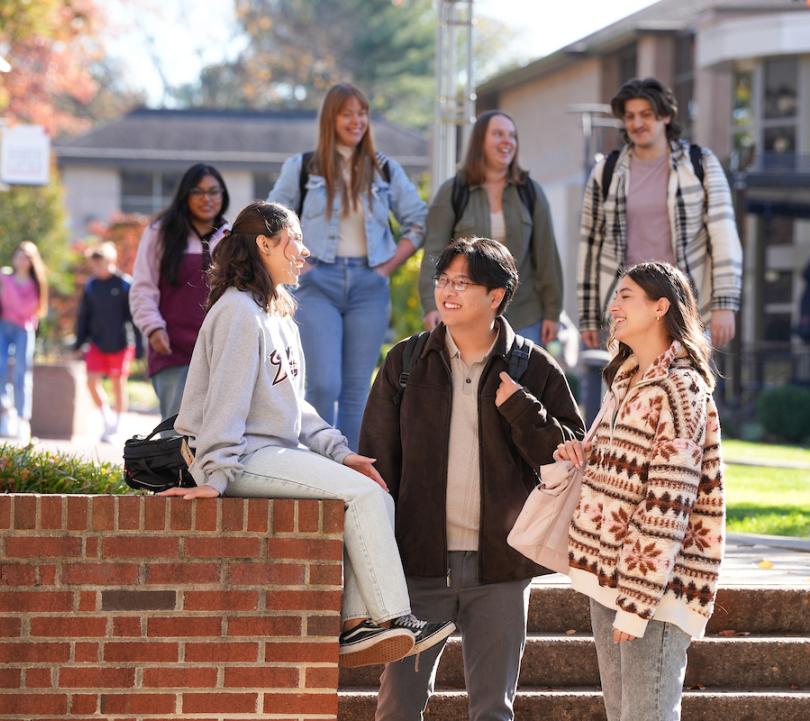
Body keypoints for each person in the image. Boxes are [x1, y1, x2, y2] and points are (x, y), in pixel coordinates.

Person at [159, 200, 454, 669]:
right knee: (365, 497)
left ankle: (357, 625)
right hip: (241, 456)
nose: (304, 250)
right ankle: (394, 617)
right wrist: (212, 479)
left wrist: (340, 453)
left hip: (272, 450)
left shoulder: (276, 312)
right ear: (264, 244)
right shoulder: (237, 311)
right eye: (295, 238)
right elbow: (225, 404)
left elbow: (296, 406)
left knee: (371, 490)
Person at [362, 237, 584, 721]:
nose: (448, 292)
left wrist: (522, 409)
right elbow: (375, 466)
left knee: (492, 711)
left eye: (463, 282)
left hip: (500, 571)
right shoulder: (404, 363)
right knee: (398, 707)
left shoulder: (533, 366)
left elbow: (570, 459)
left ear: (497, 296)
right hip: (419, 567)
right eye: (443, 281)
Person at [557, 261, 725, 721]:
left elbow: (668, 504)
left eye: (626, 296)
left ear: (660, 307)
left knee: (646, 715)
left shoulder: (680, 388)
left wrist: (636, 605)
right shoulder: (627, 379)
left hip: (655, 588)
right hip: (606, 575)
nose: (613, 306)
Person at [267, 82, 427, 448]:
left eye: (362, 113)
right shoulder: (303, 167)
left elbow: (418, 220)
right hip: (317, 282)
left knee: (356, 391)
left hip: (369, 285)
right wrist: (301, 266)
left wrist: (387, 268)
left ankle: (347, 477)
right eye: (347, 113)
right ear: (331, 118)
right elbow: (271, 218)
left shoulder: (383, 169)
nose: (357, 121)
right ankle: (316, 466)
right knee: (324, 384)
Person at [578, 77, 742, 351]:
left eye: (646, 115)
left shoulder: (700, 164)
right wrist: (587, 315)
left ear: (665, 116)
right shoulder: (607, 172)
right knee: (627, 390)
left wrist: (725, 304)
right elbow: (590, 244)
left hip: (686, 304)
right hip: (628, 308)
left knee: (686, 389)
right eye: (630, 116)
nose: (637, 123)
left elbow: (723, 234)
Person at [419, 110, 564, 347]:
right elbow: (433, 253)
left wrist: (552, 311)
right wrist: (430, 304)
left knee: (519, 384)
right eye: (498, 134)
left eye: (512, 135)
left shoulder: (530, 192)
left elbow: (547, 256)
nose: (507, 141)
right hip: (465, 313)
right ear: (479, 141)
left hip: (524, 316)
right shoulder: (453, 192)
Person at [130, 163, 231, 420]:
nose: (206, 198)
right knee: (176, 434)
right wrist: (152, 328)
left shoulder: (232, 237)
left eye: (213, 191)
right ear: (184, 196)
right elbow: (142, 286)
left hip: (222, 353)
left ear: (223, 196)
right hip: (173, 351)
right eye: (197, 192)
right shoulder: (160, 233)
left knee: (218, 434)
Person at [73, 242, 143, 442]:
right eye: (94, 265)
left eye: (100, 264)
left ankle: (117, 426)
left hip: (121, 343)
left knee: (117, 384)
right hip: (97, 343)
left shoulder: (124, 284)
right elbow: (84, 315)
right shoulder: (91, 285)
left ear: (111, 261)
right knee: (91, 382)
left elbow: (134, 317)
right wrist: (79, 341)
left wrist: (139, 346)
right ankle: (107, 419)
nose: (97, 269)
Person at [0, 241, 48, 440]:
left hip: (24, 330)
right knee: (1, 368)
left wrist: (7, 285)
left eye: (26, 256)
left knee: (21, 372)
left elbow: (24, 309)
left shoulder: (34, 284)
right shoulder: (5, 278)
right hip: (3, 327)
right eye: (19, 255)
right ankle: (5, 413)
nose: (21, 259)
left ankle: (22, 418)